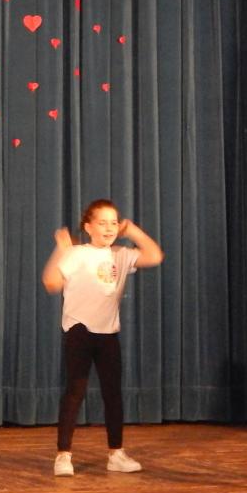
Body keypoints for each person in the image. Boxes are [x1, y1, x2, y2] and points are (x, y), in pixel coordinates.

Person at [41, 200, 164, 476]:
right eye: (102, 222)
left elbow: (155, 256)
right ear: (88, 227)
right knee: (75, 392)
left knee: (113, 394)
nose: (109, 228)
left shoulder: (121, 254)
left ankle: (116, 453)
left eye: (113, 222)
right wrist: (60, 250)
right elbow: (52, 282)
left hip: (108, 333)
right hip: (79, 331)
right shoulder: (76, 254)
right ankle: (63, 455)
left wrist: (132, 231)